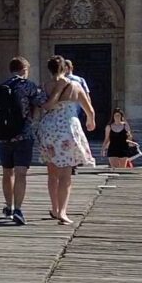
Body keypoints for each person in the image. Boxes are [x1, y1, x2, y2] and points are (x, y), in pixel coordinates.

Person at [34, 55, 97, 224]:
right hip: (67, 128)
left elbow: (40, 106)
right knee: (66, 175)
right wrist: (91, 121)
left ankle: (54, 208)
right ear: (65, 68)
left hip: (48, 128)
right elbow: (89, 108)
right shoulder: (74, 85)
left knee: (52, 173)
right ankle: (62, 212)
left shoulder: (45, 86)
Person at [0, 57, 44, 224]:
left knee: (7, 172)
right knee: (20, 173)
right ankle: (18, 209)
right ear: (25, 70)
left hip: (3, 136)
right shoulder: (28, 86)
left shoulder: (2, 86)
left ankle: (9, 207)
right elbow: (42, 102)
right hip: (23, 135)